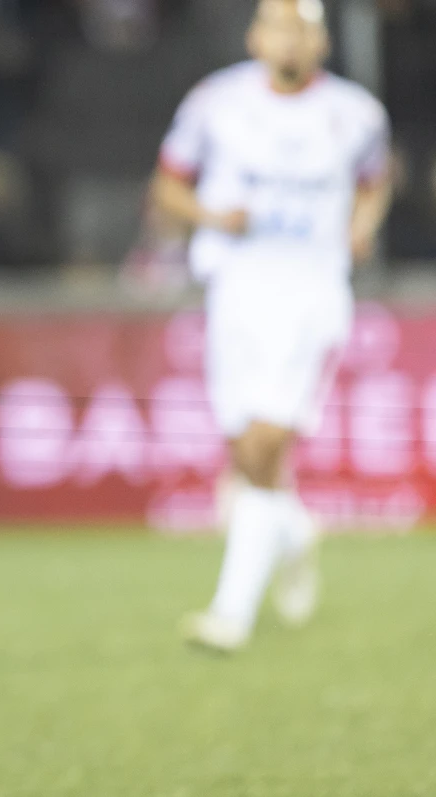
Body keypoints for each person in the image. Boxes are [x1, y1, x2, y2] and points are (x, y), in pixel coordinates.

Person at [152, 0, 391, 652]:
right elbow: (168, 185)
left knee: (266, 439)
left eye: (303, 29)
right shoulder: (214, 103)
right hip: (236, 287)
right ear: (256, 37)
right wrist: (212, 216)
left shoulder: (357, 114)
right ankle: (291, 530)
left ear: (322, 42)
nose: (290, 41)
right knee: (245, 448)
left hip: (311, 290)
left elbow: (375, 180)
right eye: (279, 27)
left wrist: (362, 226)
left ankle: (230, 614)